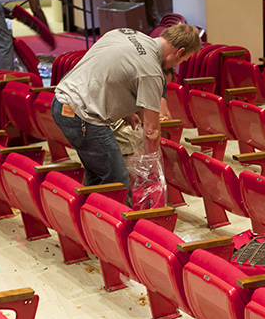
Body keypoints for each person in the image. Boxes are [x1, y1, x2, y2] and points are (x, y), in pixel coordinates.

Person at [51, 23, 201, 195]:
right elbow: (151, 131)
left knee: (98, 176)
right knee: (117, 182)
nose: (177, 65)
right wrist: (153, 168)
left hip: (61, 101)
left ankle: (94, 210)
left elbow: (108, 70)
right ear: (180, 52)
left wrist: (127, 111)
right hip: (83, 116)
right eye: (183, 60)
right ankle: (113, 212)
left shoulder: (124, 32)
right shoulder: (151, 71)